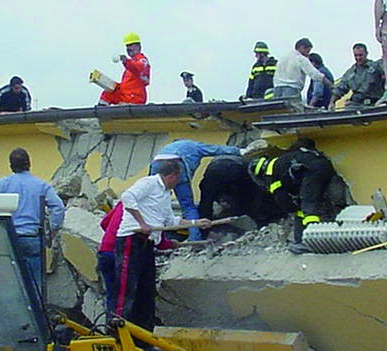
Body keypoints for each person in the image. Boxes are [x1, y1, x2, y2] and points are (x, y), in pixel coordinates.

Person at [111, 160, 210, 330]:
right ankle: (118, 327)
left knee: (146, 289)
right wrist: (142, 223)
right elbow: (127, 197)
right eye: (178, 178)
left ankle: (143, 334)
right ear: (172, 175)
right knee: (127, 287)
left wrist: (196, 223)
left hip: (148, 244)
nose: (178, 183)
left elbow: (171, 221)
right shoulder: (149, 183)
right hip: (132, 239)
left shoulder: (164, 195)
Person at [148, 138, 263, 240]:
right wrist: (240, 151)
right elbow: (216, 150)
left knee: (152, 202)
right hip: (177, 164)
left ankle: (152, 238)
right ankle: (195, 239)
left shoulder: (165, 149)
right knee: (188, 207)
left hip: (157, 164)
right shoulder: (193, 145)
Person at [249, 140, 337, 254]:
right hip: (325, 165)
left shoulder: (270, 174)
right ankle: (303, 239)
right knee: (309, 204)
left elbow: (281, 198)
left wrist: (292, 208)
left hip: (311, 172)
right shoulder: (281, 161)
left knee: (308, 206)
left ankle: (313, 239)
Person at [0, 148, 65, 291]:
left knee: (12, 280)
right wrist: (52, 231)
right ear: (29, 164)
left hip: (9, 237)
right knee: (35, 283)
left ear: (11, 166)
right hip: (32, 237)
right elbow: (58, 207)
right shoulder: (41, 185)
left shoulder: (2, 184)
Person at [97, 202, 178, 320]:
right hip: (124, 254)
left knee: (113, 295)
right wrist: (171, 244)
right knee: (133, 295)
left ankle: (112, 326)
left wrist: (113, 235)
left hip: (105, 252)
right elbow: (158, 241)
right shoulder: (151, 207)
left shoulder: (125, 203)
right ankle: (128, 327)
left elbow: (104, 223)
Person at [329, 43, 385, 108]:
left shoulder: (377, 67)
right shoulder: (350, 73)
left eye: (360, 55)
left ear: (366, 54)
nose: (358, 58)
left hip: (375, 103)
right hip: (356, 104)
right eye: (356, 55)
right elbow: (340, 88)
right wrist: (332, 102)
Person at [99, 33, 150, 105]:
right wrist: (111, 85)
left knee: (109, 94)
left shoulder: (142, 61)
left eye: (131, 45)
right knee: (107, 93)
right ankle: (100, 110)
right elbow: (126, 85)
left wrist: (126, 61)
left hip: (134, 97)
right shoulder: (130, 65)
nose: (128, 48)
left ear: (138, 46)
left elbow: (137, 68)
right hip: (126, 96)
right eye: (127, 46)